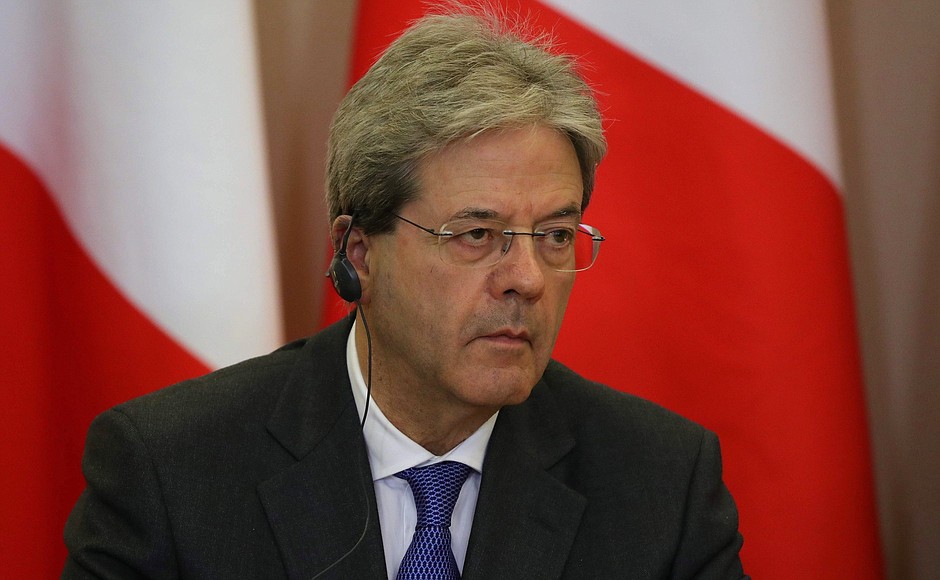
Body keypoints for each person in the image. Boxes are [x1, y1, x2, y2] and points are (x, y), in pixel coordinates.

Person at [63, 5, 747, 579]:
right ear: (358, 253)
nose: (529, 278)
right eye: (477, 234)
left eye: (556, 236)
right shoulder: (171, 473)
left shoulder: (663, 485)